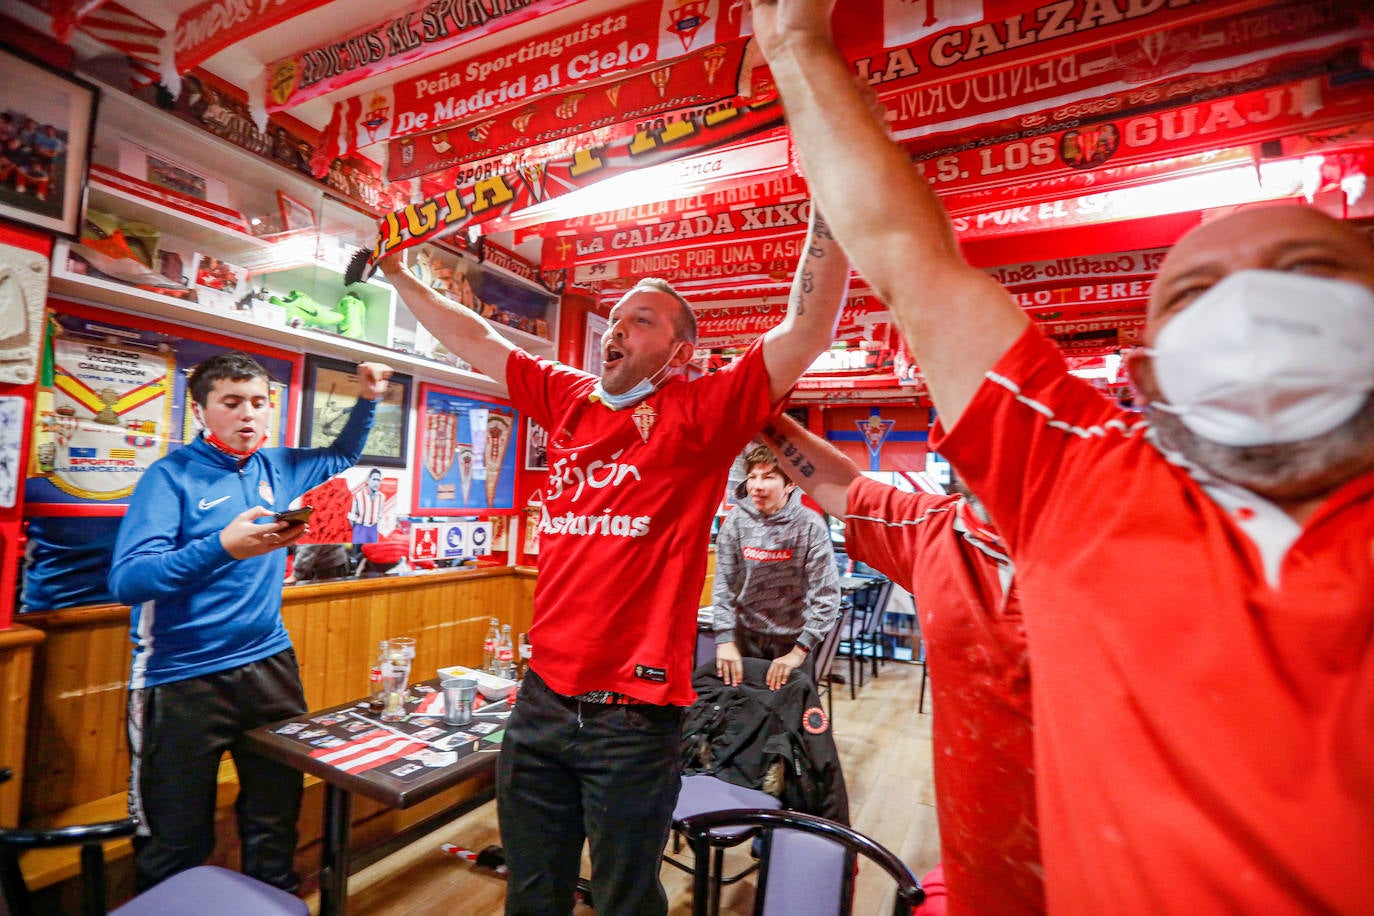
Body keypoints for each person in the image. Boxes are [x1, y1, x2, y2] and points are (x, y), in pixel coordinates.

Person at [749, 1, 1374, 910]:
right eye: (1199, 292)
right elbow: (906, 258)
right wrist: (795, 43)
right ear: (1148, 377)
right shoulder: (1077, 483)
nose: (1255, 310)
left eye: (1312, 272)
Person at [378, 203, 847, 915]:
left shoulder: (702, 412)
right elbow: (469, 334)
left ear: (682, 352)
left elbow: (805, 329)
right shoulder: (567, 398)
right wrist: (393, 271)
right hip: (539, 703)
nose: (617, 330)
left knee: (625, 899)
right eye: (617, 318)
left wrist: (836, 201)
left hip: (632, 720)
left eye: (642, 321)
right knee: (532, 895)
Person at [109, 351, 392, 893]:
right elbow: (129, 581)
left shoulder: (275, 466)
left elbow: (342, 454)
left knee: (275, 819)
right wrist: (222, 547)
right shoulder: (169, 477)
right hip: (180, 677)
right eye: (231, 402)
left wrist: (369, 401)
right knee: (175, 839)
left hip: (269, 665)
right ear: (201, 410)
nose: (247, 415)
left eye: (258, 403)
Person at [760, 413, 1041, 914]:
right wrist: (758, 412)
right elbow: (843, 484)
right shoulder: (939, 528)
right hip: (982, 873)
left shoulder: (1132, 543)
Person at [712, 443, 840, 690]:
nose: (757, 486)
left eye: (768, 477)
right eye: (752, 477)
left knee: (789, 723)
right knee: (742, 720)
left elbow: (826, 596)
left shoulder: (810, 526)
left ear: (790, 483)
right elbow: (724, 585)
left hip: (792, 643)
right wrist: (724, 639)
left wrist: (800, 651)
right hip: (744, 640)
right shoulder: (736, 522)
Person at [349, 466, 385, 544]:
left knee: (372, 552)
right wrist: (358, 529)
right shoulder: (358, 495)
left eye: (378, 480)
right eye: (374, 479)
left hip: (373, 529)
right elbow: (352, 516)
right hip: (360, 528)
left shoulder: (381, 497)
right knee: (358, 553)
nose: (376, 483)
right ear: (368, 481)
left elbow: (380, 514)